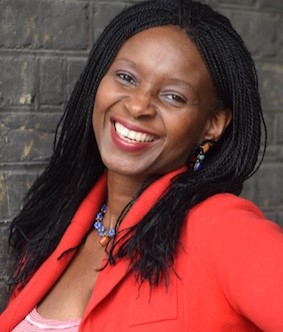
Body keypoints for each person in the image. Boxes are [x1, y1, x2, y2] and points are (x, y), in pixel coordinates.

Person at [1, 0, 283, 330]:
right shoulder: (56, 228)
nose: (137, 106)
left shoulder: (222, 230)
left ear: (213, 124)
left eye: (173, 96)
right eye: (126, 77)